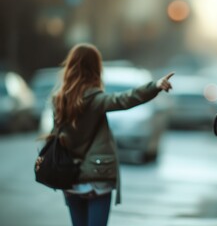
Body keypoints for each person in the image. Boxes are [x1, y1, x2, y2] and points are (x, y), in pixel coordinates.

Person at [37, 43, 174, 226]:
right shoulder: (96, 100)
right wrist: (155, 86)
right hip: (97, 177)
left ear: (71, 67)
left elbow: (58, 137)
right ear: (96, 69)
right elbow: (125, 99)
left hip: (70, 177)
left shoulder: (59, 100)